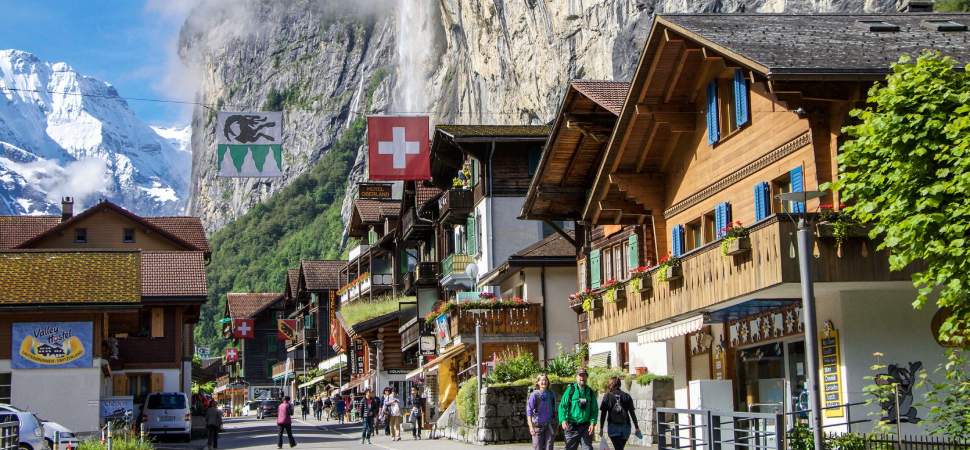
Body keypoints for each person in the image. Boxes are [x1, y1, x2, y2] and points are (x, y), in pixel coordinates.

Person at [558, 368, 598, 450]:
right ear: (576, 377)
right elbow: (563, 406)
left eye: (584, 375)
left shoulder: (590, 392)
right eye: (580, 376)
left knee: (588, 448)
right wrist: (563, 420)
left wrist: (592, 422)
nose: (582, 378)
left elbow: (594, 410)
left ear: (587, 377)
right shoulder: (570, 390)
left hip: (586, 426)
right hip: (571, 426)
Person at [599, 376, 642, 450]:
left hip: (613, 427)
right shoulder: (626, 396)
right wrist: (637, 427)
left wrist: (601, 428)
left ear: (610, 384)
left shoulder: (607, 396)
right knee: (620, 448)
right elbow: (632, 413)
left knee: (618, 448)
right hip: (626, 427)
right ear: (619, 384)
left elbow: (603, 414)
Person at [527, 373, 558, 450]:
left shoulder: (551, 394)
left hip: (549, 426)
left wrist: (556, 426)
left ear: (548, 382)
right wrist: (531, 427)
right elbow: (529, 411)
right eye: (541, 380)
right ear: (537, 382)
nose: (543, 382)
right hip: (537, 427)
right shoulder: (534, 395)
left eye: (545, 380)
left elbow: (555, 410)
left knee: (549, 448)